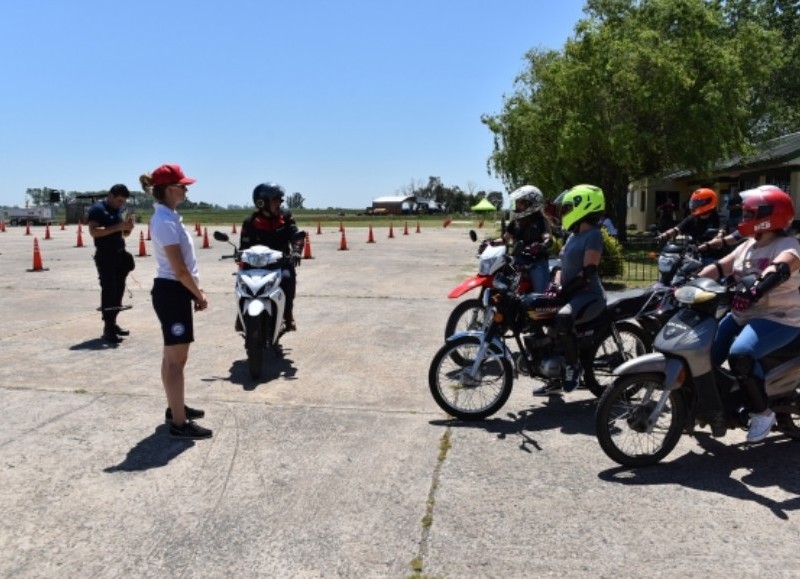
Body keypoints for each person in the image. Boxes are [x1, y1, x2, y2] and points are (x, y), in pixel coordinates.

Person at [698, 186, 800, 442]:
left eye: (749, 214)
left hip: (779, 318)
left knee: (741, 354)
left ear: (769, 215)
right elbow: (720, 267)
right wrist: (689, 282)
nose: (743, 220)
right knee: (706, 352)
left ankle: (763, 412)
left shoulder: (788, 245)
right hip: (743, 315)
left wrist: (757, 289)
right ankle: (710, 404)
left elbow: (781, 268)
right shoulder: (748, 246)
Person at [140, 164, 211, 440]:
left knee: (173, 357)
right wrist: (199, 294)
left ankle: (175, 407)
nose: (186, 189)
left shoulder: (169, 217)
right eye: (182, 185)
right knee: (175, 361)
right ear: (169, 189)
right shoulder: (165, 221)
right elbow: (179, 268)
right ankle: (179, 424)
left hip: (175, 290)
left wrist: (193, 290)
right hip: (173, 290)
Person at [533, 184, 607, 395]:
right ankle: (554, 376)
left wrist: (563, 292)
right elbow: (559, 266)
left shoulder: (593, 235)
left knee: (563, 318)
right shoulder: (573, 234)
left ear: (584, 206)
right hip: (570, 293)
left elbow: (588, 273)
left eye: (567, 208)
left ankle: (574, 368)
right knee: (543, 316)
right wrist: (556, 285)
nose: (563, 213)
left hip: (588, 296)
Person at [240, 182, 301, 331]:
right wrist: (239, 256)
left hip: (281, 262)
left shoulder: (285, 217)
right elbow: (243, 247)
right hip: (256, 265)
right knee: (240, 281)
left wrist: (296, 250)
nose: (279, 203)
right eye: (275, 200)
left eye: (280, 199)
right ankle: (241, 315)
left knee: (287, 278)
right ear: (262, 202)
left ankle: (288, 314)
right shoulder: (250, 222)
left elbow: (296, 236)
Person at [87, 184, 136, 343]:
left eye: (123, 202)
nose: (121, 204)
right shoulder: (98, 209)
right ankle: (108, 328)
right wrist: (118, 227)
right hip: (105, 256)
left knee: (119, 290)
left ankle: (113, 323)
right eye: (119, 200)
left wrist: (127, 228)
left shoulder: (118, 210)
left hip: (119, 255)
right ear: (110, 196)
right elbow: (94, 231)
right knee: (109, 290)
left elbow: (122, 233)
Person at [501, 185, 553, 293]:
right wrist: (490, 243)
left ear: (531, 203)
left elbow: (546, 236)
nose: (518, 205)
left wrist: (544, 244)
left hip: (535, 263)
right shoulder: (516, 222)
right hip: (517, 261)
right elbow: (505, 239)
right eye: (517, 202)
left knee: (541, 297)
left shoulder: (540, 221)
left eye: (521, 202)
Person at [658, 187, 724, 263]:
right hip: (693, 254)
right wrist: (663, 236)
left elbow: (721, 233)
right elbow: (677, 229)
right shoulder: (692, 218)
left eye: (698, 202)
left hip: (711, 256)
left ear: (708, 202)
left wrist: (710, 243)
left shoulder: (719, 219)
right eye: (694, 202)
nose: (695, 205)